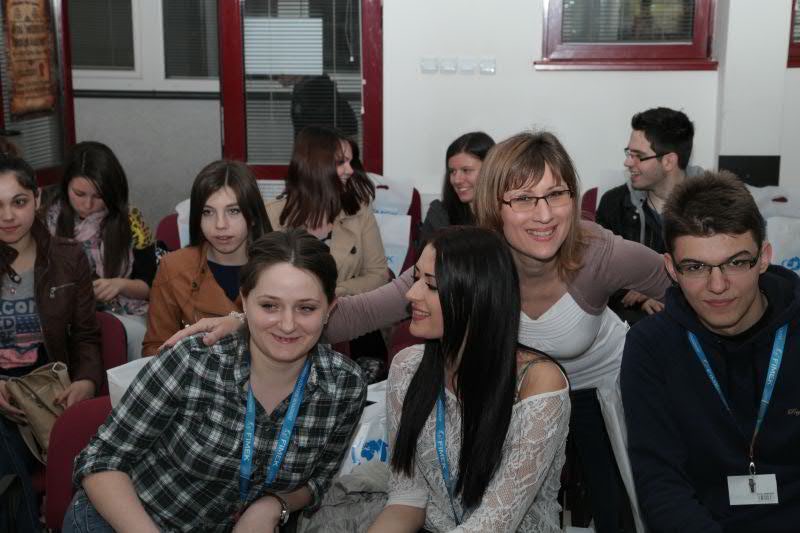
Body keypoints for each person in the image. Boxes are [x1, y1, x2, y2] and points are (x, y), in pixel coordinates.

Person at [169, 131, 671, 532]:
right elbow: (364, 311)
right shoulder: (467, 260)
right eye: (522, 198)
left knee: (624, 509)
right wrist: (249, 321)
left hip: (600, 384)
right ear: (494, 205)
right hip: (507, 387)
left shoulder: (599, 253)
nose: (543, 215)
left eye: (556, 194)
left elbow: (686, 286)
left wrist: (663, 358)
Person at [64, 229, 367, 533]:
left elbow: (318, 480)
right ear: (244, 302)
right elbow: (101, 460)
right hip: (127, 521)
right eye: (269, 306)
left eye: (306, 308)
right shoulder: (193, 361)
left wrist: (273, 504)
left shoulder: (344, 386)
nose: (287, 325)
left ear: (329, 309)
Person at [621, 171, 800, 532]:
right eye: (696, 267)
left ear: (764, 258)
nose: (717, 286)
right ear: (671, 269)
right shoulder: (651, 347)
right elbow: (661, 485)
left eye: (736, 262)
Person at [369, 227, 570, 532]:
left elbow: (496, 522)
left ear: (477, 297)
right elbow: (406, 498)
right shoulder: (407, 367)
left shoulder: (538, 383)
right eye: (416, 279)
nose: (412, 294)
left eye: (431, 285)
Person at [0, 155, 102, 532]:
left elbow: (87, 335)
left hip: (48, 391)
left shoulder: (67, 257)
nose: (8, 216)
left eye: (18, 202)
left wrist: (86, 381)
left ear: (37, 198)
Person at [141, 160, 271, 356]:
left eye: (233, 211)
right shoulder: (173, 267)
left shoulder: (279, 267)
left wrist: (242, 322)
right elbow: (155, 348)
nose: (220, 224)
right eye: (207, 212)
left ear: (253, 215)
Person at [44, 141, 158, 359]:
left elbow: (151, 287)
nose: (87, 205)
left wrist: (121, 284)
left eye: (98, 196)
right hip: (65, 314)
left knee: (135, 336)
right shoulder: (48, 218)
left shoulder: (131, 220)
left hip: (124, 312)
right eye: (79, 194)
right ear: (66, 186)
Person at [596, 107, 697, 323]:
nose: (628, 162)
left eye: (638, 156)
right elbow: (597, 269)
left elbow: (720, 273)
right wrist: (634, 294)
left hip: (693, 318)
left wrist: (664, 290)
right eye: (629, 153)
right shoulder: (614, 204)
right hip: (630, 322)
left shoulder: (713, 205)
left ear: (669, 161)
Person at [267, 125, 388, 297]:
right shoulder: (271, 215)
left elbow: (378, 274)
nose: (350, 170)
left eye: (350, 162)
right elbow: (258, 279)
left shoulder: (359, 211)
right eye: (340, 162)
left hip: (344, 309)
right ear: (314, 167)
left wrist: (333, 293)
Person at [418, 132, 495, 247]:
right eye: (452, 171)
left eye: (466, 170)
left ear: (491, 170)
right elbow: (424, 257)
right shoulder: (440, 216)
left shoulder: (510, 214)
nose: (457, 180)